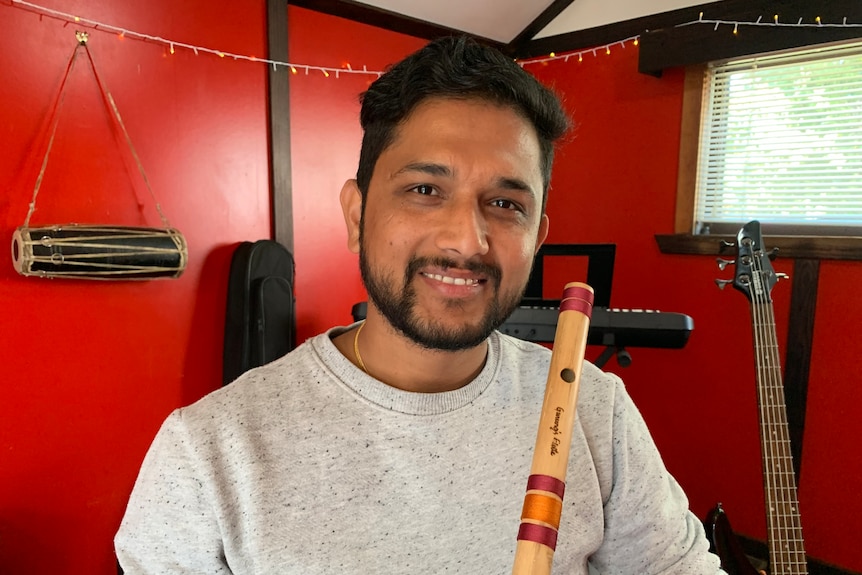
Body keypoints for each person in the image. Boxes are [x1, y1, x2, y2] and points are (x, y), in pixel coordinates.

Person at [115, 36, 724, 574]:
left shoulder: (596, 411)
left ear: (537, 238)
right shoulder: (207, 451)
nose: (466, 240)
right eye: (425, 190)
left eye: (506, 204)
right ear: (357, 214)